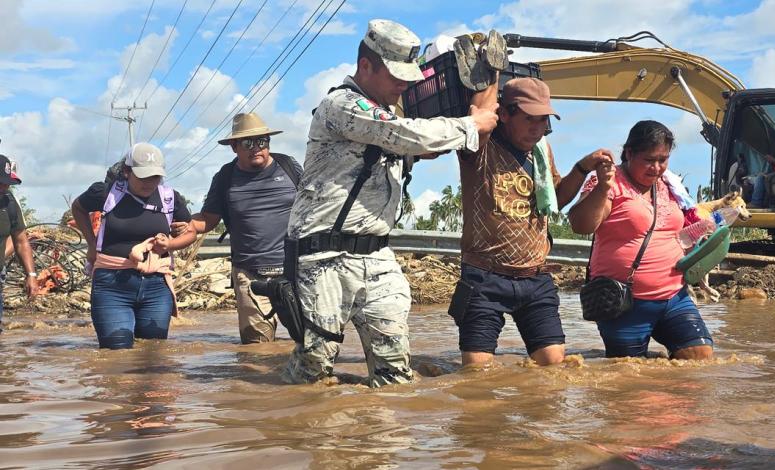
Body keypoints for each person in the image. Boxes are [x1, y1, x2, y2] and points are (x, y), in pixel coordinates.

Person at [282, 19, 499, 388]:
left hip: (377, 257)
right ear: (365, 66)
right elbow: (408, 134)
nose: (405, 84)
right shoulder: (341, 106)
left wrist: (487, 85)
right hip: (323, 259)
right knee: (313, 372)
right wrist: (472, 122)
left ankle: (382, 442)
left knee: (395, 372)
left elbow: (425, 147)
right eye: (396, 75)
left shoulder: (389, 117)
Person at [450, 68, 614, 367]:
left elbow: (555, 199)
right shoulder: (480, 146)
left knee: (552, 365)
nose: (538, 128)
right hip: (485, 276)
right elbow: (481, 116)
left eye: (543, 120)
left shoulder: (541, 149)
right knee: (476, 370)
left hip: (535, 276)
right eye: (530, 118)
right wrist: (490, 68)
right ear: (506, 114)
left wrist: (582, 168)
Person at [568, 120, 714, 359]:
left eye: (663, 159)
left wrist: (703, 233)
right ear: (629, 153)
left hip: (674, 297)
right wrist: (603, 189)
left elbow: (675, 230)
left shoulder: (670, 185)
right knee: (628, 377)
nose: (656, 168)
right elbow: (580, 225)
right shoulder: (608, 183)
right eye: (649, 160)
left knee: (699, 356)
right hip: (623, 303)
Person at [171, 112, 301, 344]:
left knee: (307, 341)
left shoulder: (289, 166)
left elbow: (316, 204)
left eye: (262, 141)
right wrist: (188, 224)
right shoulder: (225, 177)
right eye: (248, 142)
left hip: (295, 270)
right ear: (234, 147)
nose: (256, 148)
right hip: (250, 274)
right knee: (257, 349)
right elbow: (208, 220)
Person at [71, 143, 196, 349]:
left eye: (155, 177)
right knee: (116, 351)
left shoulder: (169, 198)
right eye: (143, 176)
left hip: (157, 286)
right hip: (113, 285)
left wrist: (171, 243)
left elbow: (190, 231)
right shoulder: (106, 193)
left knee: (153, 351)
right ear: (127, 172)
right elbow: (78, 207)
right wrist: (92, 244)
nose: (149, 183)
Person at [0, 154, 38, 334]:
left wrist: (31, 274)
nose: (5, 187)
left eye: (7, 182)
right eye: (1, 182)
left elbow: (20, 241)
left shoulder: (9, 202)